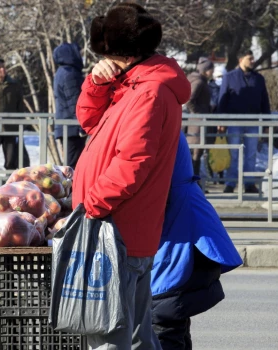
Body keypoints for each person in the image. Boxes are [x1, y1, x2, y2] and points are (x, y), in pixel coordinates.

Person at [72, 3, 190, 349]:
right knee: (135, 335)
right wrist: (96, 84)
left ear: (118, 52)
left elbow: (132, 164)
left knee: (110, 334)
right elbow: (92, 123)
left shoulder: (148, 93)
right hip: (122, 228)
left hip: (118, 229)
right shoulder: (135, 86)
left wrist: (90, 206)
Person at [151, 131, 243, 350]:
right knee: (172, 318)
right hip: (180, 233)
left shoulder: (153, 116)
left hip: (178, 237)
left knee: (165, 315)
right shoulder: (162, 115)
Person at [218, 50, 270, 194]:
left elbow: (264, 101)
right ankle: (230, 183)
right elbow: (222, 99)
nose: (252, 61)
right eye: (250, 58)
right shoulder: (230, 77)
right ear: (241, 59)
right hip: (234, 122)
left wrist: (266, 124)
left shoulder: (258, 78)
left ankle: (249, 184)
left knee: (251, 154)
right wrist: (220, 120)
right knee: (234, 153)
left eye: (253, 58)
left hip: (253, 122)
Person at [53, 42, 86, 169]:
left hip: (68, 125)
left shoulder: (63, 71)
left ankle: (71, 188)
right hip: (72, 128)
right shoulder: (69, 74)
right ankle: (71, 189)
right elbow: (75, 101)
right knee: (73, 166)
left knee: (72, 165)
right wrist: (82, 124)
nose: (81, 56)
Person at [185, 57, 215, 177]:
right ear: (206, 70)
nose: (213, 71)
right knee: (196, 153)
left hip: (197, 122)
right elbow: (190, 99)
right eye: (211, 69)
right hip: (197, 123)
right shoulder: (199, 82)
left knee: (196, 153)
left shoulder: (199, 80)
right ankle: (195, 183)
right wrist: (198, 112)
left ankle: (195, 182)